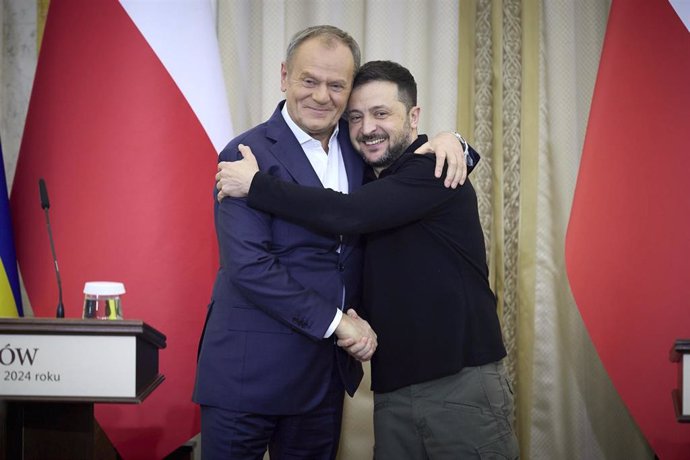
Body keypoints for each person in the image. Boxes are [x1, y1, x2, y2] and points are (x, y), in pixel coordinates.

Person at [216, 60, 520, 459]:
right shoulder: (369, 178)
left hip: (458, 385)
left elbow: (346, 213)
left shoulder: (432, 168)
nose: (367, 128)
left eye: (381, 113)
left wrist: (255, 185)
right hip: (394, 391)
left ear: (413, 117)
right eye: (355, 117)